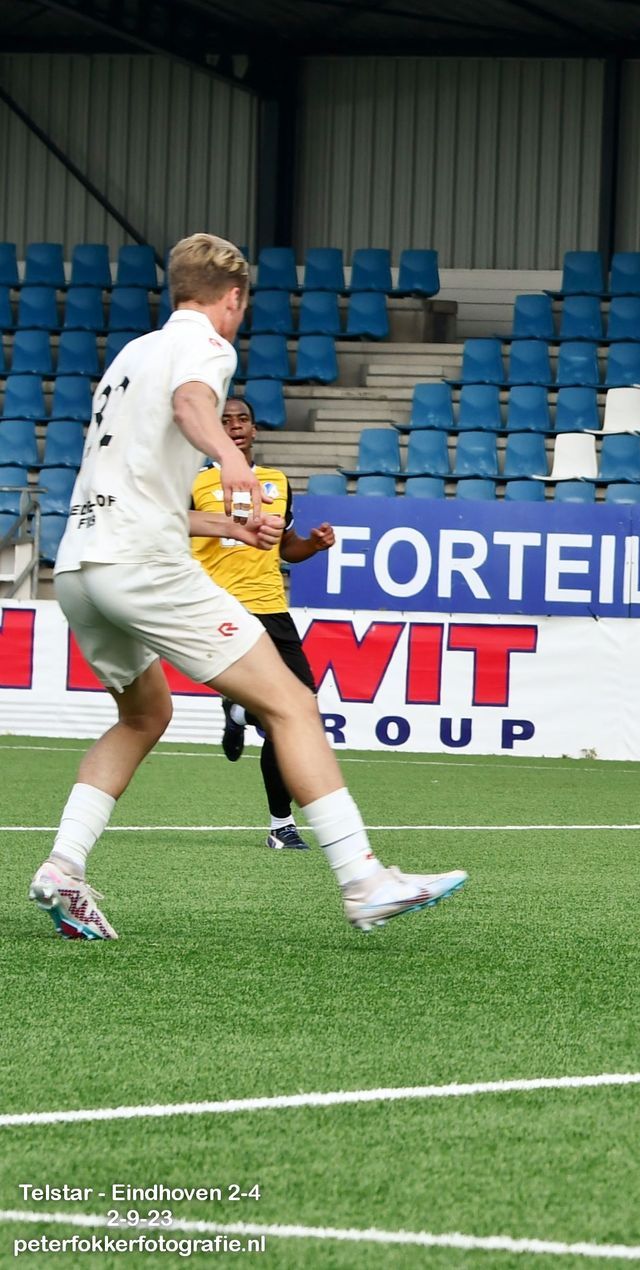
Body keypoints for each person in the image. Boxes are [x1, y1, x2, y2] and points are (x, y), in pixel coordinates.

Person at [29, 232, 465, 940]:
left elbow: (140, 485)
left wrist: (226, 526)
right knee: (292, 702)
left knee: (143, 715)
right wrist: (232, 460)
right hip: (144, 563)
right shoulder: (207, 345)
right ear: (232, 298)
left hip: (83, 562)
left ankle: (63, 867)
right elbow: (192, 405)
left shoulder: (129, 356)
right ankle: (364, 880)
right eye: (242, 305)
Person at [191, 392, 335, 851]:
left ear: (254, 430)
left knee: (301, 709)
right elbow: (167, 528)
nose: (235, 425)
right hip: (220, 607)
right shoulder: (193, 481)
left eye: (242, 419)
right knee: (279, 715)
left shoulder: (276, 481)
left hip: (272, 608)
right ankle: (282, 824)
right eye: (225, 420)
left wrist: (313, 545)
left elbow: (286, 546)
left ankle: (240, 712)